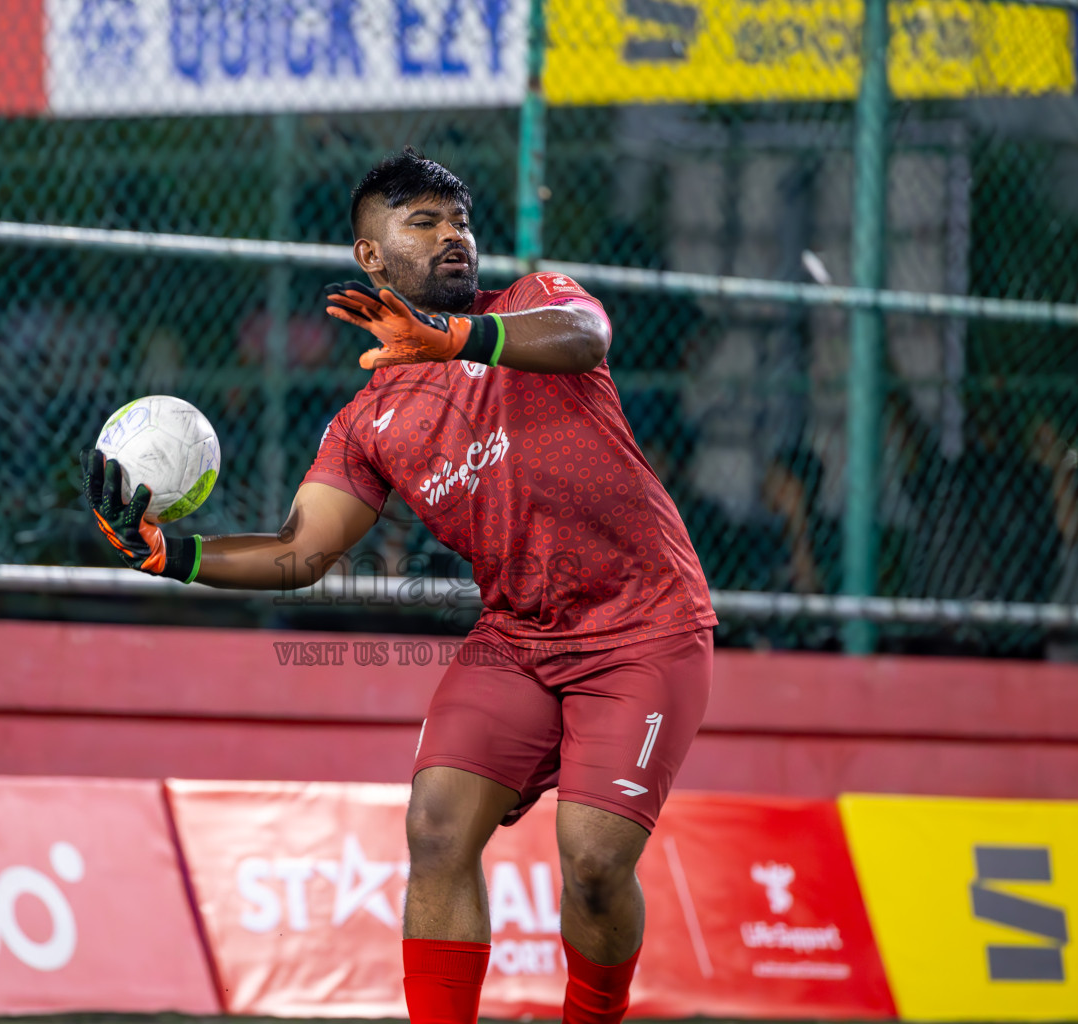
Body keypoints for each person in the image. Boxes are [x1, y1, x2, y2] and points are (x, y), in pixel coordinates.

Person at [83, 148, 716, 1024]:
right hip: (517, 639)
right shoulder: (366, 420)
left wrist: (458, 338)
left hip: (644, 628)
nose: (454, 237)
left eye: (459, 222)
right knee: (437, 827)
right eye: (423, 222)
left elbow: (591, 337)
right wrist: (172, 556)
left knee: (597, 867)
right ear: (370, 257)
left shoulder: (531, 306)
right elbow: (300, 552)